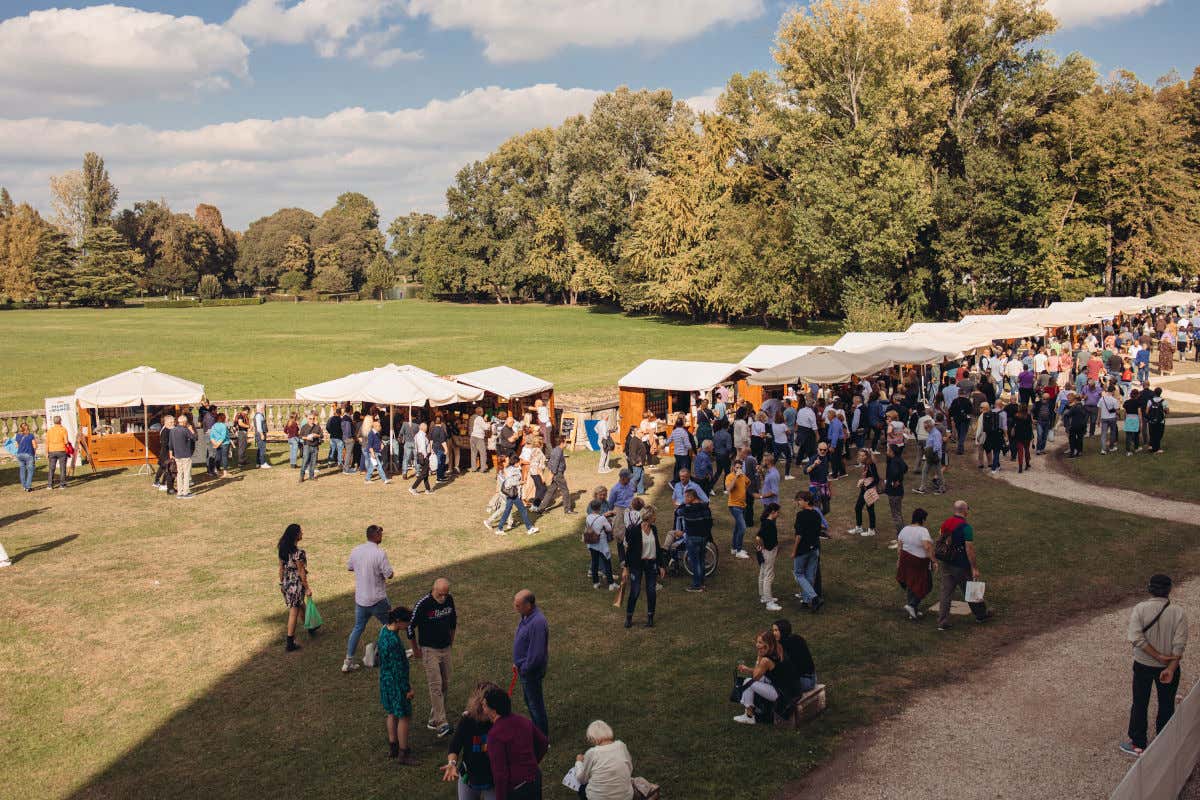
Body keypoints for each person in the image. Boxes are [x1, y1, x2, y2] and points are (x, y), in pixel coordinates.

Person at [1121, 574, 1188, 758]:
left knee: (1140, 702)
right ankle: (1164, 745)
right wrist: (1170, 668)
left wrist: (1156, 655)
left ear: (1149, 589)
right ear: (1169, 590)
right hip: (1169, 666)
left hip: (1143, 664)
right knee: (1166, 704)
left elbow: (1136, 638)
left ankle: (1137, 744)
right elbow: (1179, 646)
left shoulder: (1140, 609)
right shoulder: (1178, 612)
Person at [408, 578, 458, 739]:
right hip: (430, 650)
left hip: (445, 648)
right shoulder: (423, 604)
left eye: (445, 594)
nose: (443, 598)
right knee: (435, 685)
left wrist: (451, 640)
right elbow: (410, 626)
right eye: (440, 595)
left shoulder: (449, 599)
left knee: (444, 684)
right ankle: (442, 724)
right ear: (434, 589)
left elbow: (453, 622)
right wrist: (415, 649)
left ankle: (433, 719)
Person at [483, 686, 548, 800]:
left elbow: (500, 773)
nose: (482, 708)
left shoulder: (495, 735)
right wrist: (532, 762)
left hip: (516, 788)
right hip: (534, 778)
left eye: (484, 705)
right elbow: (543, 742)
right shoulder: (523, 720)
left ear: (493, 710)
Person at [343, 524, 393, 672]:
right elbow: (389, 574)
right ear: (376, 536)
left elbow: (350, 567)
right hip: (378, 599)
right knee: (390, 625)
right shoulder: (380, 553)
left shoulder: (356, 550)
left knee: (358, 628)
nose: (382, 535)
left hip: (361, 600)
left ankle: (348, 661)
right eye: (380, 533)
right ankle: (379, 652)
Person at [934, 501, 992, 631]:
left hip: (946, 562)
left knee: (946, 592)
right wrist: (974, 567)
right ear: (965, 510)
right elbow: (969, 549)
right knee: (971, 589)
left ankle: (942, 621)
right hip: (960, 564)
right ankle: (981, 615)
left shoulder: (946, 523)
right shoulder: (966, 527)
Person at [442, 681, 501, 800]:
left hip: (494, 780)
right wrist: (451, 763)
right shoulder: (467, 720)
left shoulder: (500, 722)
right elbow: (455, 745)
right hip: (469, 778)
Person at [379, 605, 418, 765]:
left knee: (391, 713)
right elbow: (398, 670)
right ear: (398, 621)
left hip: (385, 680)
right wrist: (407, 689)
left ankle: (393, 746)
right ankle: (403, 753)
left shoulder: (384, 631)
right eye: (406, 622)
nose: (408, 625)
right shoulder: (394, 642)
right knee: (404, 716)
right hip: (396, 683)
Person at [733, 630, 795, 725]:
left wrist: (759, 657)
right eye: (757, 642)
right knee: (751, 682)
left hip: (781, 694)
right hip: (787, 688)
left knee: (747, 682)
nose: (757, 645)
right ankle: (755, 707)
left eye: (760, 642)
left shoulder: (765, 660)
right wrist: (748, 669)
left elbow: (755, 677)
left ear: (768, 644)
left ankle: (749, 716)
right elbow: (762, 672)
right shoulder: (778, 649)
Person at [512, 590, 550, 739]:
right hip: (524, 669)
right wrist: (517, 663)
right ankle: (537, 731)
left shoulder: (537, 623)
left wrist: (524, 668)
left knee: (535, 705)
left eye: (518, 605)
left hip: (530, 671)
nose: (515, 608)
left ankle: (542, 738)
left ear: (528, 605)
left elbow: (537, 655)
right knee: (530, 701)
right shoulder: (526, 616)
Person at [623, 508, 665, 628]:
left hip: (651, 564)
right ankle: (629, 617)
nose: (656, 517)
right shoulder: (635, 531)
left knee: (651, 591)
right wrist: (625, 568)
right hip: (637, 565)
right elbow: (629, 551)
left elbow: (657, 547)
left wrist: (661, 565)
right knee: (635, 591)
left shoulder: (654, 529)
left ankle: (650, 618)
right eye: (654, 515)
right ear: (649, 517)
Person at [574, 720, 634, 800]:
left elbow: (582, 779)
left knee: (581, 788)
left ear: (592, 737)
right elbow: (630, 769)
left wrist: (578, 762)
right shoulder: (621, 746)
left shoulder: (592, 752)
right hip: (626, 797)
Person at [277, 523, 311, 651]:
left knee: (300, 604)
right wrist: (307, 588)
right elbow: (301, 572)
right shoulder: (299, 553)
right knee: (294, 612)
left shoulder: (282, 550)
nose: (302, 533)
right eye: (300, 532)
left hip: (286, 583)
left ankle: (310, 626)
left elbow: (280, 568)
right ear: (296, 535)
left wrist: (281, 583)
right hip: (295, 584)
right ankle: (290, 642)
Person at [895, 509, 933, 620]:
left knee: (911, 585)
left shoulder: (904, 529)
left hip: (906, 561)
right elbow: (927, 547)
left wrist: (899, 560)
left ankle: (913, 611)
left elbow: (899, 547)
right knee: (927, 585)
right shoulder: (923, 531)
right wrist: (933, 560)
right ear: (922, 519)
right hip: (919, 563)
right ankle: (912, 605)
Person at [792, 491, 824, 612]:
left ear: (806, 501)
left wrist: (794, 551)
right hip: (814, 548)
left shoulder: (800, 515)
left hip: (803, 549)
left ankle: (814, 598)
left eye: (799, 500)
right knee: (810, 576)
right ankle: (806, 602)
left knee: (799, 574)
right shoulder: (816, 514)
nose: (798, 502)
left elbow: (799, 535)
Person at [678, 488, 713, 593]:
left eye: (686, 497)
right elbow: (710, 523)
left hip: (692, 537)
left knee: (695, 562)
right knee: (701, 560)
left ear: (691, 497)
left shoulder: (688, 509)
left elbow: (678, 511)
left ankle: (697, 585)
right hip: (704, 537)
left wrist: (683, 504)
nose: (684, 499)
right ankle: (702, 582)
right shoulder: (706, 508)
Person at [495, 459, 539, 535]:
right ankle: (529, 528)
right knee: (521, 510)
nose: (520, 463)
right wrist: (521, 482)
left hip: (512, 494)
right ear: (516, 463)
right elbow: (510, 482)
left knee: (509, 510)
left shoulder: (510, 469)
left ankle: (500, 528)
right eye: (519, 462)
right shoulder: (512, 470)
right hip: (512, 494)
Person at [772, 619, 817, 693]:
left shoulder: (789, 643)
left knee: (775, 684)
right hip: (809, 678)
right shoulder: (793, 638)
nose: (773, 633)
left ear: (783, 630)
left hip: (806, 681)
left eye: (776, 630)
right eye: (773, 630)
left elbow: (788, 669)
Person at [536, 435, 575, 514]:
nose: (566, 444)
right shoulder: (559, 451)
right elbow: (555, 463)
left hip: (556, 473)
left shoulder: (555, 450)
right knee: (565, 491)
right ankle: (567, 509)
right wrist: (553, 473)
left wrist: (551, 471)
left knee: (550, 491)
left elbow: (550, 461)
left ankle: (541, 508)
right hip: (558, 474)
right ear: (562, 442)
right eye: (565, 442)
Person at [585, 500, 618, 590]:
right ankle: (611, 583)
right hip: (601, 544)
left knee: (595, 563)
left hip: (592, 544)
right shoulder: (602, 518)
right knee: (607, 563)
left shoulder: (588, 517)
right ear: (599, 508)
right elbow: (609, 528)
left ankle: (596, 583)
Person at [756, 504, 782, 612]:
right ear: (772, 512)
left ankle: (763, 596)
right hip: (769, 551)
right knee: (769, 575)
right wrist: (763, 546)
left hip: (766, 550)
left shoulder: (765, 522)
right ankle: (769, 602)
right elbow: (758, 537)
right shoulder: (769, 524)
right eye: (777, 512)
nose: (778, 514)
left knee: (763, 572)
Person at [848, 449, 878, 537]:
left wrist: (867, 486)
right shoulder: (866, 464)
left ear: (867, 456)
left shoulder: (871, 465)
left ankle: (871, 530)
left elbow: (876, 479)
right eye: (860, 455)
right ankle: (859, 527)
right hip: (864, 488)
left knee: (870, 509)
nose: (861, 457)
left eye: (863, 455)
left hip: (869, 490)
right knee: (858, 507)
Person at [725, 458, 751, 559]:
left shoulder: (743, 476)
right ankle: (739, 551)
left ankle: (734, 548)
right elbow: (728, 489)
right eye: (737, 467)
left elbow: (748, 483)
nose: (739, 469)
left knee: (737, 528)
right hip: (734, 506)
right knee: (742, 527)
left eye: (740, 467)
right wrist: (736, 476)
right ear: (733, 468)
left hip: (742, 505)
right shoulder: (730, 477)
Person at [170, 414, 197, 499]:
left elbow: (170, 444)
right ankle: (185, 492)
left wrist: (171, 453)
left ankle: (180, 492)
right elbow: (194, 438)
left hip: (177, 454)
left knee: (179, 474)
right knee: (186, 473)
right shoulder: (185, 430)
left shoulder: (173, 430)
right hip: (185, 454)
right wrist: (191, 429)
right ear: (185, 422)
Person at [883, 444, 907, 538]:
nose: (886, 452)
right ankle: (901, 535)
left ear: (892, 452)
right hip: (899, 491)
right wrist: (899, 480)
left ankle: (900, 537)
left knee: (896, 515)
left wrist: (894, 481)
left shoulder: (893, 462)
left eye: (888, 450)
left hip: (894, 492)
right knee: (898, 513)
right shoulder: (899, 459)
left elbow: (895, 472)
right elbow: (905, 468)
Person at [45, 415, 70, 490]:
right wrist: (69, 446)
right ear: (60, 421)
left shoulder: (50, 430)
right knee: (62, 468)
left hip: (52, 450)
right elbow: (66, 441)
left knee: (51, 468)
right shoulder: (63, 429)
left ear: (54, 421)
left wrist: (46, 452)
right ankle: (62, 485)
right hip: (61, 450)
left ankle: (50, 485)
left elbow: (47, 442)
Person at [298, 411, 323, 482]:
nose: (312, 420)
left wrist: (316, 435)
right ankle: (301, 477)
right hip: (307, 446)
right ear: (307, 419)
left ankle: (311, 476)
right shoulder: (304, 427)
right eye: (310, 418)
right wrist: (307, 438)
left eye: (313, 419)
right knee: (305, 461)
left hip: (315, 446)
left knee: (313, 462)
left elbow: (321, 435)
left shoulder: (317, 427)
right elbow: (300, 436)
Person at [668, 416, 693, 483]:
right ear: (682, 424)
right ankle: (677, 482)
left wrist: (664, 444)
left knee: (678, 468)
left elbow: (669, 440)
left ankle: (676, 481)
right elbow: (687, 444)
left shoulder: (674, 431)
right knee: (684, 469)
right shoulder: (684, 432)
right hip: (683, 453)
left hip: (676, 453)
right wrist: (691, 449)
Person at [364, 419, 390, 484]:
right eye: (379, 426)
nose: (380, 427)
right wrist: (372, 453)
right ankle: (384, 479)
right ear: (375, 427)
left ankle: (367, 479)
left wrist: (381, 444)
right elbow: (369, 445)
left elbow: (378, 441)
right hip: (373, 452)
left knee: (372, 466)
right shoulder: (371, 433)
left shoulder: (377, 433)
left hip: (377, 452)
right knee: (379, 466)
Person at [1061, 393, 1087, 458]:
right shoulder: (1083, 407)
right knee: (1080, 438)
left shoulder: (1074, 407)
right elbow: (1085, 416)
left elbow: (1068, 414)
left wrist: (1066, 418)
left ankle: (1072, 452)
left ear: (1075, 400)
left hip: (1074, 425)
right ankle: (1079, 451)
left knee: (1072, 438)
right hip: (1082, 425)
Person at [1011, 403, 1034, 473]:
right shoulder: (1028, 416)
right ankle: (1027, 464)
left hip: (1019, 435)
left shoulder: (1016, 416)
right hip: (1027, 435)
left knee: (1020, 452)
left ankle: (1020, 467)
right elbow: (1030, 426)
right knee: (1027, 450)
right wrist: (1032, 436)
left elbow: (1013, 425)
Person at [14, 422, 36, 492]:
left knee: (22, 471)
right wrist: (34, 452)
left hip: (20, 454)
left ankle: (24, 486)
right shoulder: (31, 435)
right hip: (29, 454)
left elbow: (16, 446)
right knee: (30, 471)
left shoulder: (17, 436)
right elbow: (34, 446)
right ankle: (28, 487)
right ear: (28, 427)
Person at [1145, 387, 1169, 453]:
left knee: (1152, 434)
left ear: (1154, 393)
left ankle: (1151, 446)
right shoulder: (1164, 401)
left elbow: (1146, 411)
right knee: (1159, 434)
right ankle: (1157, 449)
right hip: (1161, 420)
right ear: (1161, 393)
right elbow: (1167, 412)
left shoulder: (1150, 401)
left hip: (1151, 421)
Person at [1098, 386, 1120, 454]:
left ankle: (1103, 449)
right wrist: (1118, 415)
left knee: (1103, 433)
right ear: (1113, 391)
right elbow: (1117, 411)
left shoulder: (1102, 399)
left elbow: (1099, 409)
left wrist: (1098, 419)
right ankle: (1111, 447)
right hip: (1112, 418)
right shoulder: (1114, 400)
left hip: (1104, 417)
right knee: (1112, 433)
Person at [1123, 389, 1143, 455]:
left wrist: (1125, 420)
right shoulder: (1138, 402)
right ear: (1137, 395)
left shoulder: (1126, 402)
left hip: (1128, 418)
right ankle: (1136, 448)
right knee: (1136, 434)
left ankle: (1128, 451)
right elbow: (1139, 413)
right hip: (1135, 418)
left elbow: (1125, 412)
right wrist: (1141, 422)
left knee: (1128, 435)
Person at [469, 407, 489, 472]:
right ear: (480, 412)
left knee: (473, 453)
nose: (483, 412)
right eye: (482, 411)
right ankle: (483, 468)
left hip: (472, 436)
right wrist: (488, 423)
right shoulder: (479, 418)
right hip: (479, 437)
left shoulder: (472, 417)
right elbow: (485, 427)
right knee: (483, 453)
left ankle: (473, 468)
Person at [252, 403, 271, 469]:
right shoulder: (259, 416)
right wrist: (262, 434)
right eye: (263, 407)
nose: (264, 409)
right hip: (260, 434)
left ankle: (258, 462)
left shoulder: (258, 415)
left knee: (260, 449)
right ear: (260, 408)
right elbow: (259, 426)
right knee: (262, 449)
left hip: (259, 433)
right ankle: (263, 463)